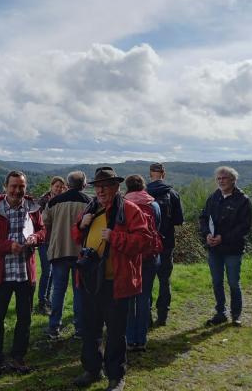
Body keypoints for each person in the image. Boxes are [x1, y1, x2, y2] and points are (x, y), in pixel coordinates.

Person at [71, 167, 152, 391]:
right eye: (97, 186)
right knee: (90, 329)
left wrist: (115, 237)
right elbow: (76, 236)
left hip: (117, 283)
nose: (101, 190)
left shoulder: (129, 209)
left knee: (116, 333)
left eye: (105, 186)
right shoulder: (90, 207)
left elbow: (144, 241)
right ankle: (92, 369)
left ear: (116, 187)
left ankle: (116, 376)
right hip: (89, 280)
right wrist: (81, 225)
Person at [0, 171, 46, 381]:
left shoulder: (33, 209)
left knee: (24, 319)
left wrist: (36, 237)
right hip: (2, 274)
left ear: (26, 188)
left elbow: (43, 231)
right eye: (14, 186)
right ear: (5, 187)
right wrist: (8, 246)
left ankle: (18, 357)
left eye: (21, 187)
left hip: (26, 274)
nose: (17, 190)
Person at [199, 166, 252, 327]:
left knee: (233, 282)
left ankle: (236, 315)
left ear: (233, 180)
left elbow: (245, 226)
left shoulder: (243, 200)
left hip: (233, 249)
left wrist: (223, 238)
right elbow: (203, 218)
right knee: (216, 282)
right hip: (214, 248)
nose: (221, 181)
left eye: (224, 178)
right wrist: (207, 234)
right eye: (219, 179)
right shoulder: (213, 197)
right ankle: (220, 313)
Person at [42, 171, 90, 339]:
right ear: (83, 185)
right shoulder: (88, 202)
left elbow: (45, 222)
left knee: (58, 291)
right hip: (80, 253)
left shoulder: (53, 201)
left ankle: (54, 327)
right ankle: (80, 329)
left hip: (59, 250)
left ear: (67, 184)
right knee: (79, 292)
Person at [123, 175, 162, 352]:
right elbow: (157, 227)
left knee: (129, 298)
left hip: (130, 256)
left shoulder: (123, 204)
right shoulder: (153, 204)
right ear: (143, 186)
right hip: (150, 255)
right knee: (144, 296)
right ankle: (142, 338)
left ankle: (130, 339)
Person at [146, 162, 184, 326]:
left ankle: (145, 315)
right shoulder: (172, 193)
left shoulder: (143, 193)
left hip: (147, 244)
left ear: (150, 174)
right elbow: (179, 220)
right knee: (164, 280)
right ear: (163, 174)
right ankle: (162, 316)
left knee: (146, 281)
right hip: (166, 242)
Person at [35, 176, 67, 315]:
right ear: (51, 186)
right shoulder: (43, 201)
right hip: (45, 240)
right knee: (47, 271)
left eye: (61, 186)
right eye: (57, 186)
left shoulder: (63, 201)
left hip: (56, 240)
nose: (59, 188)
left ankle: (47, 299)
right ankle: (42, 301)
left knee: (54, 272)